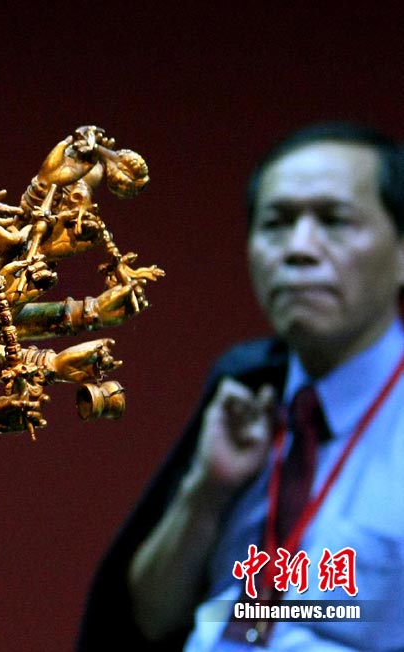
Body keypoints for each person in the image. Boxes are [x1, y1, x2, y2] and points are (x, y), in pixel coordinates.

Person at [76, 121, 404, 651]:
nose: (298, 249)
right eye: (276, 223)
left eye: (334, 220)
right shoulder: (246, 387)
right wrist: (207, 490)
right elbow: (150, 620)